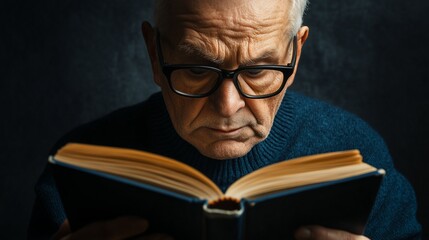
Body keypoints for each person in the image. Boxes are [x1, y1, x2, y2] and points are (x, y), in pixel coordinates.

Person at [28, 0, 422, 239]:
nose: (228, 105)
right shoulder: (79, 169)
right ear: (154, 53)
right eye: (197, 68)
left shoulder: (359, 156)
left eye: (258, 70)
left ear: (295, 55)